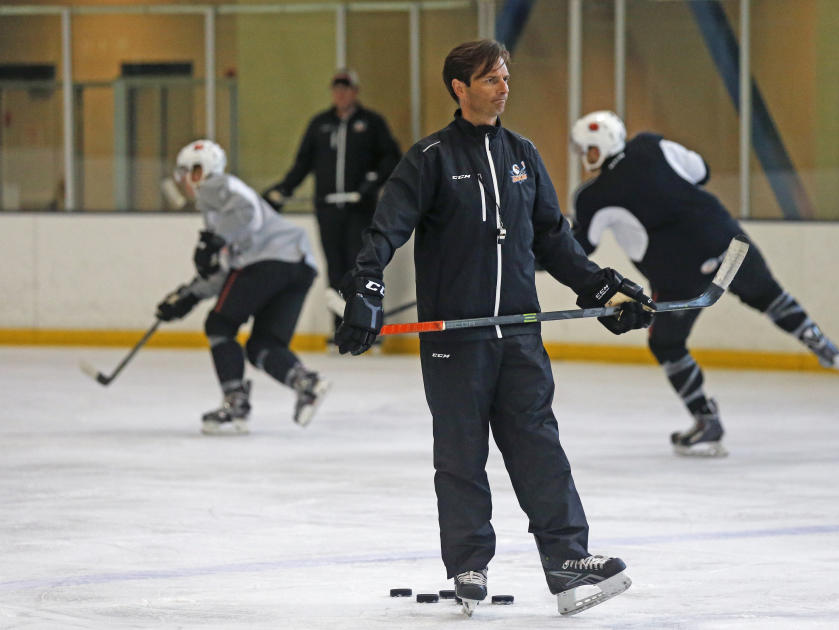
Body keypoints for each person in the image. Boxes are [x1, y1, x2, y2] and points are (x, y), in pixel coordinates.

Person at [333, 40, 653, 617]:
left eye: (505, 77)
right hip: (458, 340)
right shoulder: (429, 159)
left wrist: (603, 290)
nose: (503, 88)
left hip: (521, 335)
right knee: (461, 455)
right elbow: (386, 231)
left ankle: (567, 561)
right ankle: (468, 564)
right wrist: (365, 289)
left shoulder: (524, 154)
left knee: (539, 446)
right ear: (460, 88)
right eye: (490, 80)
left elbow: (555, 238)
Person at [569, 110, 839, 458]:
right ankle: (813, 335)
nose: (586, 158)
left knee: (666, 344)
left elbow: (578, 248)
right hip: (729, 243)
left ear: (604, 145)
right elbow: (701, 170)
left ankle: (706, 420)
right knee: (768, 296)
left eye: (589, 150)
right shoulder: (652, 145)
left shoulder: (592, 196)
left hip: (679, 274)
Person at [156, 139, 329, 436]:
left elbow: (247, 214)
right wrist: (188, 295)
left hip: (269, 263)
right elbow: (227, 267)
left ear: (202, 170)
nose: (183, 179)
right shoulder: (221, 208)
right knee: (264, 345)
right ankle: (307, 383)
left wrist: (213, 241)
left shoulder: (216, 188)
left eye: (187, 171)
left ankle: (235, 401)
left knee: (219, 324)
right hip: (298, 266)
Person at [263, 68, 401, 329]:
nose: (341, 94)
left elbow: (391, 157)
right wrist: (283, 190)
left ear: (355, 92)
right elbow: (302, 163)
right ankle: (341, 325)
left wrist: (370, 185)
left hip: (359, 209)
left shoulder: (371, 123)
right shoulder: (320, 124)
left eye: (346, 88)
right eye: (337, 89)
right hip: (327, 209)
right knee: (335, 267)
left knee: (358, 264)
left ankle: (364, 323)